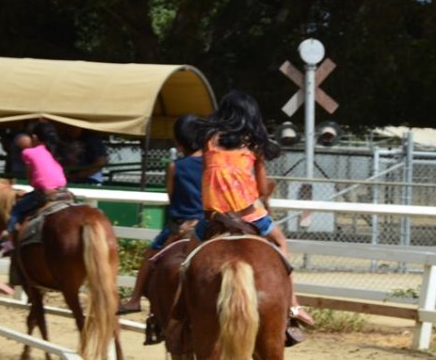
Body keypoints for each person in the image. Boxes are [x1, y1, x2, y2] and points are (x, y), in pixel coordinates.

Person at [194, 90, 315, 329]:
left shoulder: (209, 140)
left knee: (188, 255)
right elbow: (260, 188)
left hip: (214, 218)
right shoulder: (253, 144)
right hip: (249, 215)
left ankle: (180, 312)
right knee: (280, 243)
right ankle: (293, 305)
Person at [118, 114, 204, 323]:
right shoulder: (212, 164)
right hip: (207, 223)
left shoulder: (175, 167)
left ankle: (135, 299)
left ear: (179, 142)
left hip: (179, 226)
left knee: (150, 256)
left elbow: (170, 195)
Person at [5, 121, 70, 235]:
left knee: (17, 209)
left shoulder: (28, 152)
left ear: (34, 137)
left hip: (44, 193)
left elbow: (31, 179)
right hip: (63, 191)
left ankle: (8, 237)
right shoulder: (53, 152)